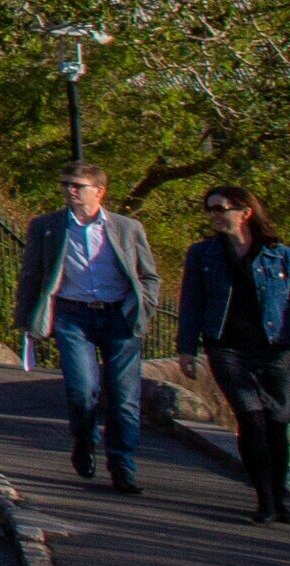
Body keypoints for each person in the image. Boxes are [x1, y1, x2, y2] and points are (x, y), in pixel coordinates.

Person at [16, 163, 160, 494]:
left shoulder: (127, 228)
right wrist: (26, 318)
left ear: (99, 191)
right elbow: (32, 274)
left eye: (78, 185)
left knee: (124, 397)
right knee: (82, 390)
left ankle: (123, 465)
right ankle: (84, 439)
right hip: (73, 315)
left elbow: (149, 275)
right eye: (65, 184)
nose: (70, 190)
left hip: (119, 316)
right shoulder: (47, 226)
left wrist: (143, 309)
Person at [176, 186, 290, 522]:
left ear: (245, 212)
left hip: (275, 348)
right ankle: (264, 499)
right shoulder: (203, 254)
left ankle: (280, 496)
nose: (213, 215)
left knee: (277, 422)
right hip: (227, 348)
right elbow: (192, 302)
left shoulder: (279, 255)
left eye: (220, 208)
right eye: (210, 209)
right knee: (251, 419)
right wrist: (186, 349)